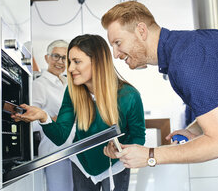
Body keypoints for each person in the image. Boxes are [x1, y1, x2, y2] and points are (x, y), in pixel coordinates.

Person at [101, 1, 218, 191]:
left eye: (118, 43)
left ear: (141, 31)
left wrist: (150, 156)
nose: (115, 54)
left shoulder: (186, 60)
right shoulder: (187, 49)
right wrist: (193, 130)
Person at [12, 34, 146, 191]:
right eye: (70, 62)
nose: (69, 68)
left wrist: (121, 150)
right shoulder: (72, 91)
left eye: (76, 62)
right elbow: (60, 136)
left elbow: (138, 137)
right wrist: (44, 117)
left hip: (116, 166)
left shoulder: (129, 95)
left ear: (97, 62)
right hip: (83, 165)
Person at [31, 39, 74, 191]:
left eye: (65, 58)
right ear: (47, 58)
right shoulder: (39, 85)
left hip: (74, 150)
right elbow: (30, 123)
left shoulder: (69, 84)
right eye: (56, 56)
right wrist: (51, 119)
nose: (60, 62)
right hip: (54, 152)